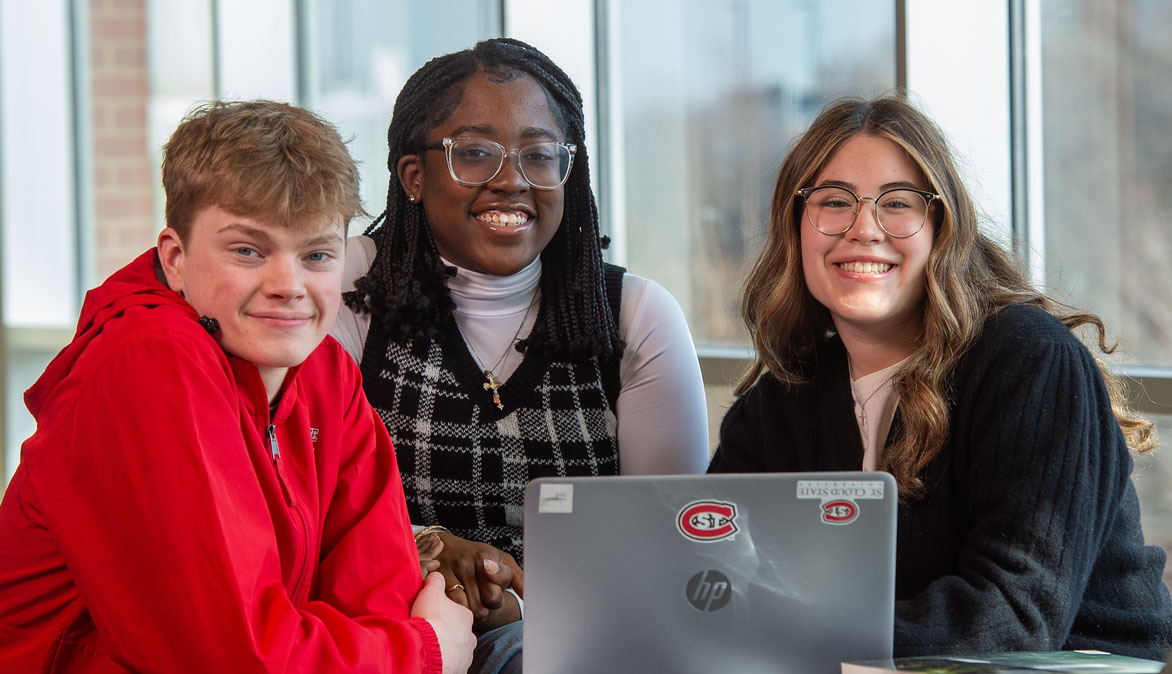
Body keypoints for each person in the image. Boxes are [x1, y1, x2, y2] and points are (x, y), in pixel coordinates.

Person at [0, 100, 476, 673]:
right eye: (248, 251)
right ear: (175, 258)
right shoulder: (148, 362)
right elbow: (230, 658)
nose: (288, 285)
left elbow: (380, 595)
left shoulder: (326, 372)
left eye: (317, 254)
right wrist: (424, 653)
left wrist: (406, 645)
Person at [708, 95, 1172, 659]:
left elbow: (1013, 617)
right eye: (834, 202)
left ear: (941, 227)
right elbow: (710, 574)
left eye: (897, 204)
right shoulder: (780, 401)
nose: (863, 228)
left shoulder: (1030, 361)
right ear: (794, 226)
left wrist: (798, 638)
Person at [330, 37, 709, 660]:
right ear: (414, 177)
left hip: (581, 639)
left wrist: (526, 609)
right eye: (474, 154)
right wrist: (426, 548)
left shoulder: (634, 316)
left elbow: (671, 551)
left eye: (538, 155)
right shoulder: (351, 287)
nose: (511, 181)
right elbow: (313, 503)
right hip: (390, 623)